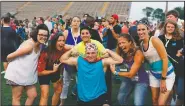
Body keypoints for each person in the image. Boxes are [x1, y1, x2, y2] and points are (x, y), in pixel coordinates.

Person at [4, 24, 49, 105]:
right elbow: (9, 57)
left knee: (33, 95)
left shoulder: (40, 45)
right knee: (17, 97)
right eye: (41, 34)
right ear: (36, 34)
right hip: (17, 74)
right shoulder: (29, 46)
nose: (44, 37)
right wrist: (12, 65)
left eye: (45, 35)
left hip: (27, 75)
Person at [137, 18, 175, 105]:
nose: (141, 32)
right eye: (139, 30)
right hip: (154, 74)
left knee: (161, 103)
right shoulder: (141, 44)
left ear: (148, 30)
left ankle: (171, 94)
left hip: (167, 74)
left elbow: (165, 59)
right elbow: (147, 60)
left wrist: (163, 79)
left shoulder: (154, 40)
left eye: (143, 29)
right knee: (154, 99)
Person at [110, 34, 149, 105]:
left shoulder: (138, 53)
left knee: (138, 103)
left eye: (123, 42)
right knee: (121, 98)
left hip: (141, 80)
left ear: (130, 42)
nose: (121, 45)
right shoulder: (121, 52)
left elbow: (131, 74)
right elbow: (109, 54)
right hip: (128, 79)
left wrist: (116, 72)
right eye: (119, 43)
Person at [37, 32, 70, 106]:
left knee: (58, 90)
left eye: (63, 41)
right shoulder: (45, 52)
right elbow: (39, 72)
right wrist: (53, 71)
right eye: (59, 40)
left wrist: (61, 75)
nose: (62, 43)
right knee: (45, 94)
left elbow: (74, 48)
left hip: (56, 72)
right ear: (54, 41)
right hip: (44, 72)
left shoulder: (63, 49)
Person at [158, 20, 184, 105]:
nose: (170, 28)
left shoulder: (179, 39)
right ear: (165, 27)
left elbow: (180, 52)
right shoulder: (160, 38)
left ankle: (173, 100)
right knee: (164, 88)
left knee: (173, 87)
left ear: (175, 28)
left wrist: (177, 56)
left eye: (172, 27)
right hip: (161, 66)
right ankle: (168, 102)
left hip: (174, 66)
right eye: (168, 27)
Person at [60, 16, 82, 105]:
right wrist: (71, 47)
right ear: (71, 22)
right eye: (74, 21)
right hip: (68, 61)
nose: (76, 23)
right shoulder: (66, 32)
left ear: (80, 23)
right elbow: (61, 44)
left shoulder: (83, 33)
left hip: (80, 61)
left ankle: (80, 100)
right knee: (66, 82)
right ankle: (62, 102)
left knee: (80, 82)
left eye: (78, 21)